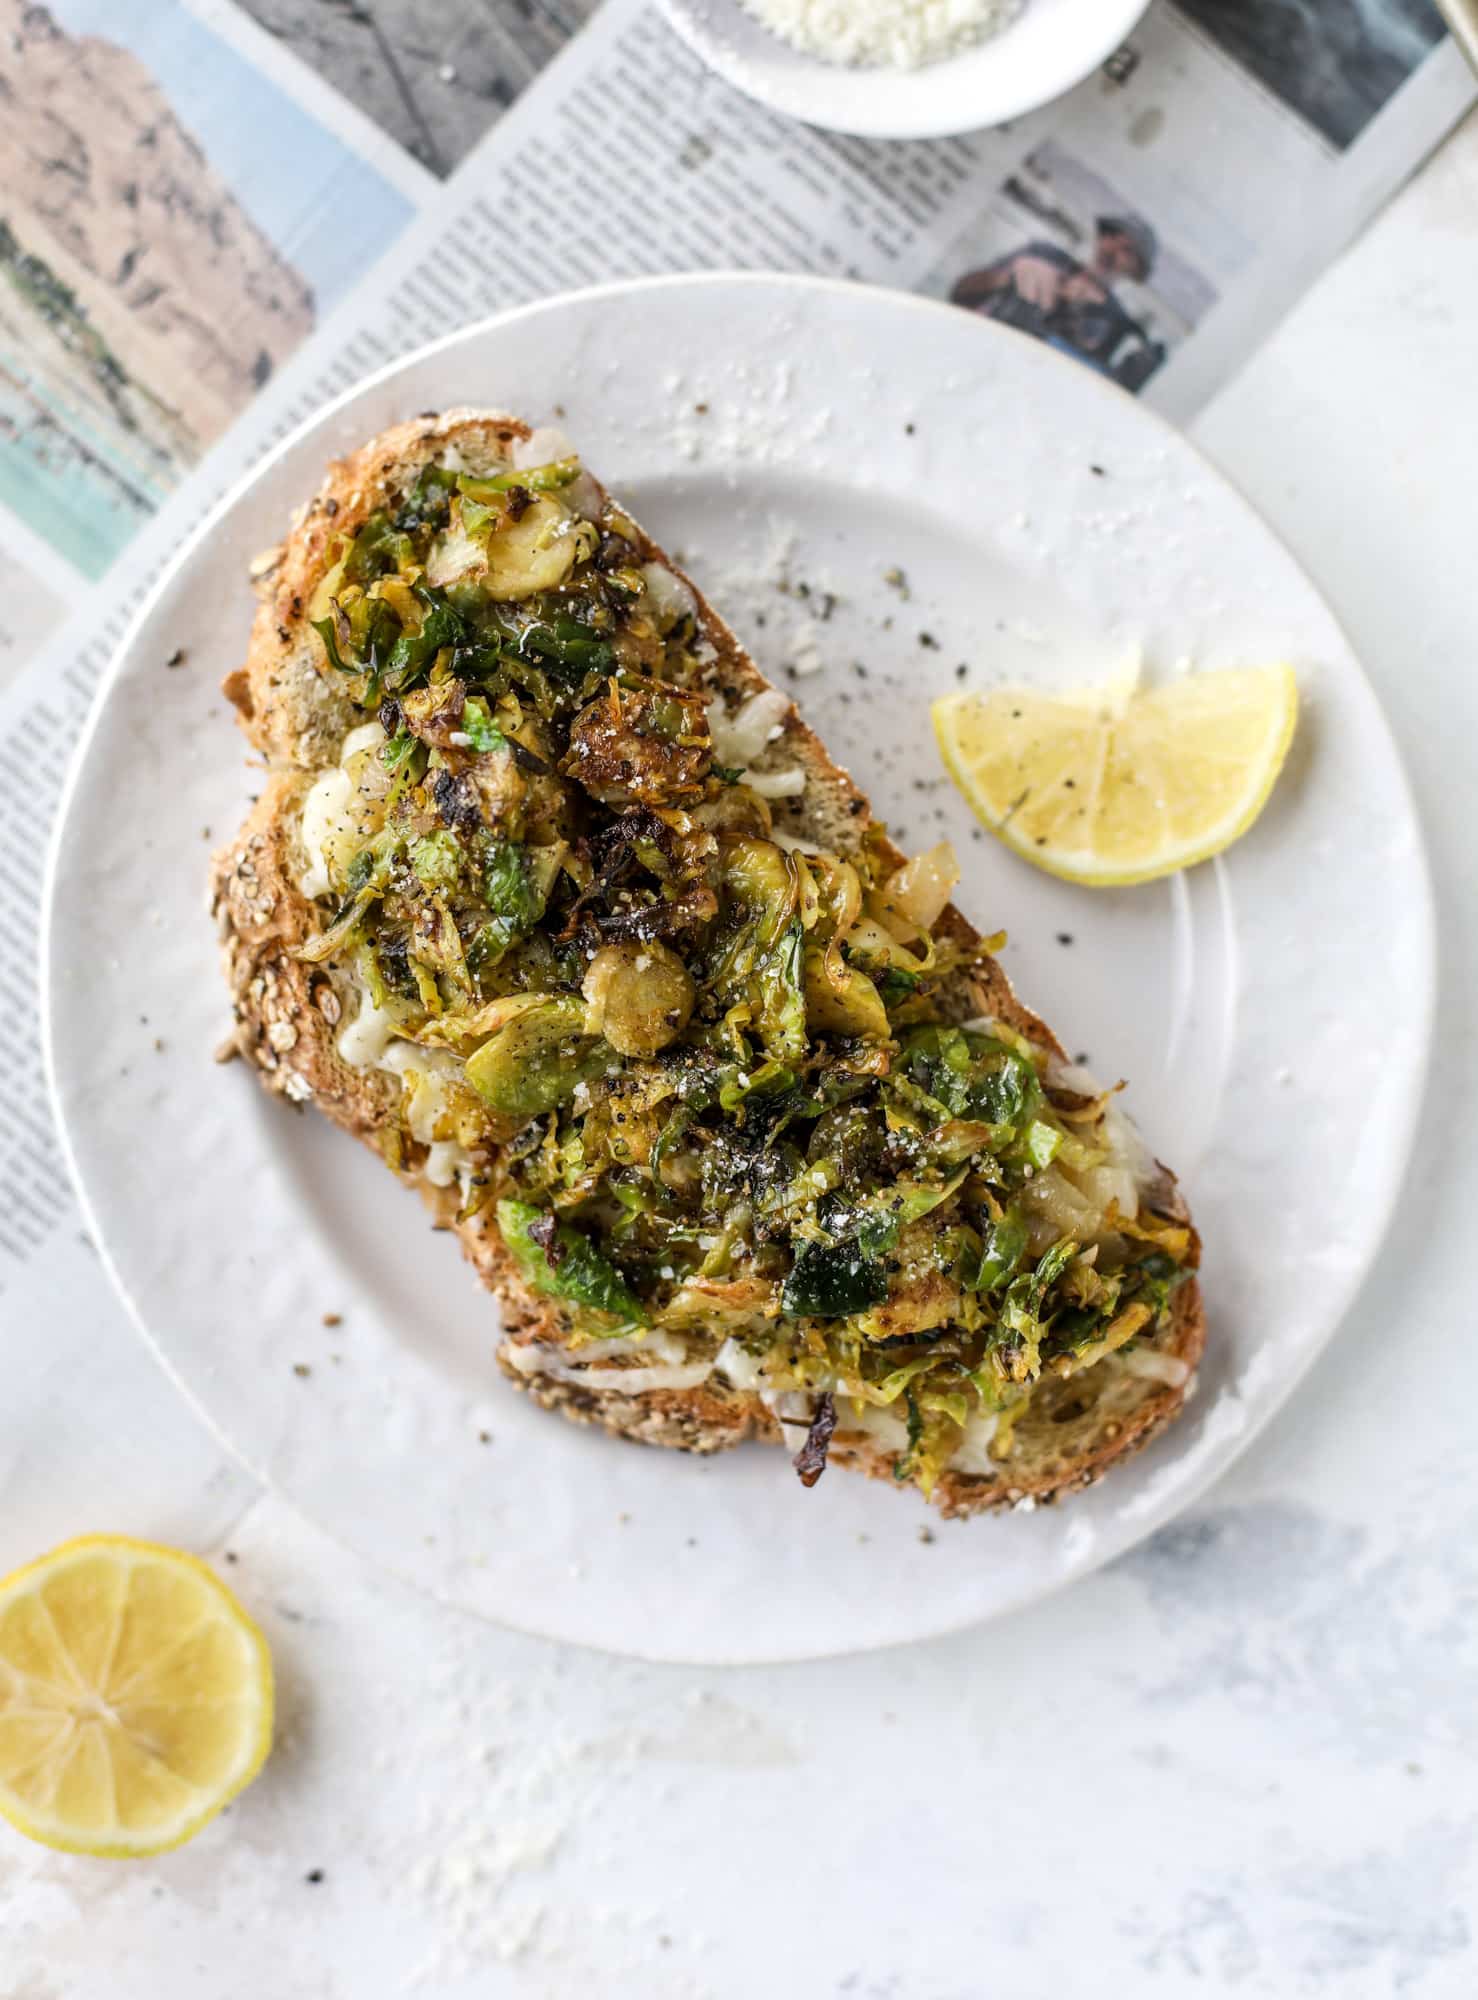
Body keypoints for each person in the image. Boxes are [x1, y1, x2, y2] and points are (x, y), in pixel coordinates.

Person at [951, 214, 1167, 393]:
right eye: (1111, 236)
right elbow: (959, 294)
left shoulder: (1116, 326)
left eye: (1127, 250)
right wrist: (1006, 277)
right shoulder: (1043, 255)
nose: (1110, 251)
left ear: (1136, 271)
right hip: (967, 360)